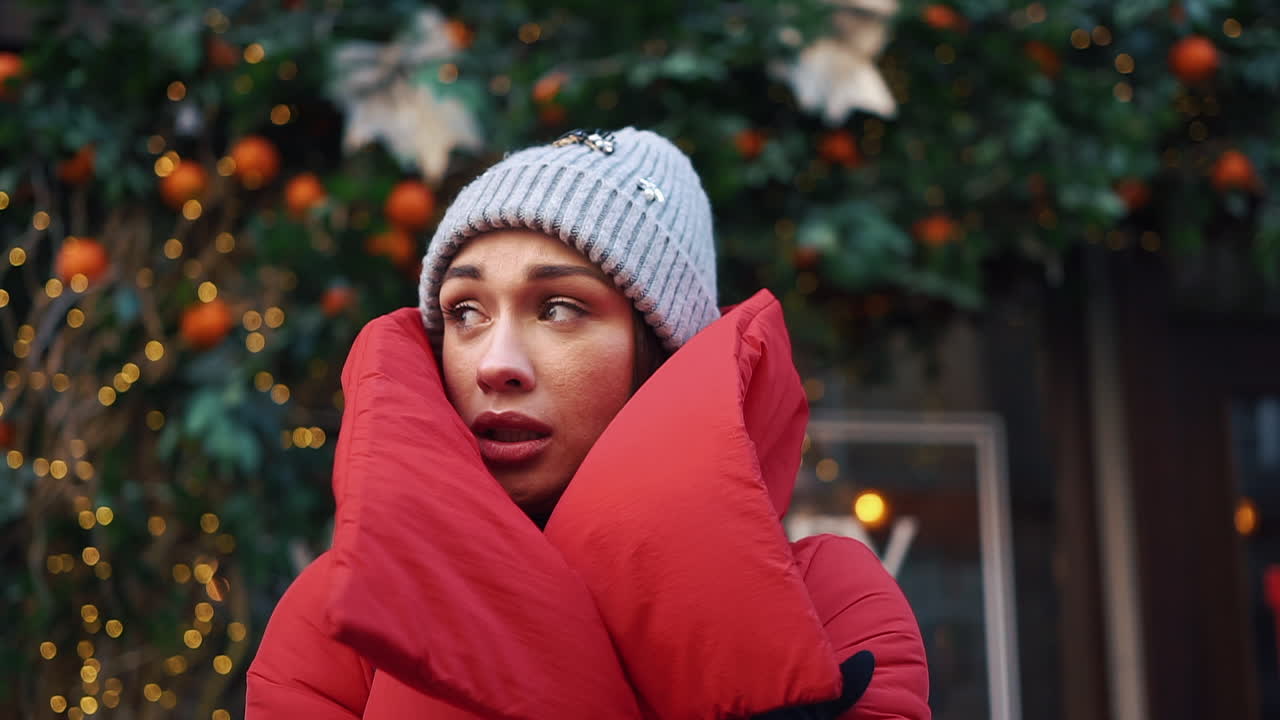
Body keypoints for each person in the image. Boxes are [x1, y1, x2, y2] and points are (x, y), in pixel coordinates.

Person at [246, 128, 930, 719]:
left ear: (663, 352)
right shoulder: (343, 619)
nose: (496, 364)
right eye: (466, 313)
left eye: (559, 309)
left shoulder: (828, 608)